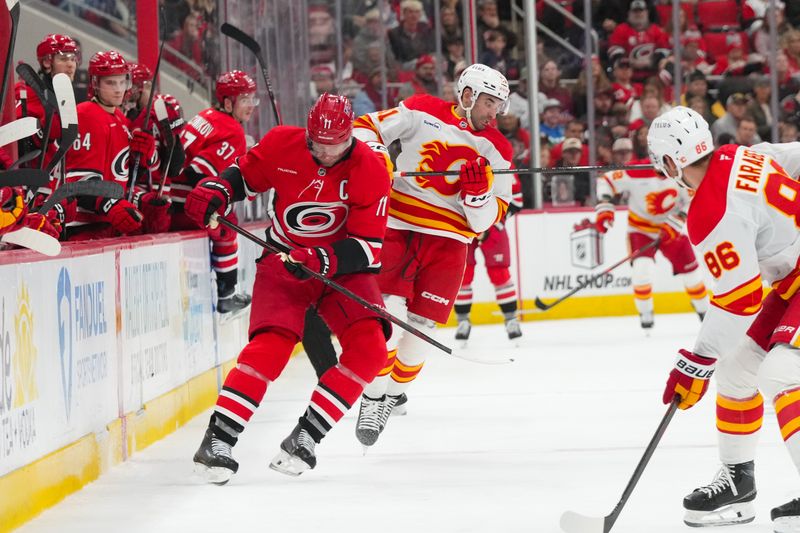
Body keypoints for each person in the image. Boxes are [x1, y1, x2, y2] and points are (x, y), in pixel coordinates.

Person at [188, 93, 391, 482]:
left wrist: (323, 261)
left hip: (341, 270)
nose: (328, 152)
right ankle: (217, 439)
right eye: (319, 143)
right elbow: (243, 178)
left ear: (351, 135)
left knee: (370, 349)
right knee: (271, 346)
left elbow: (369, 248)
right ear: (308, 134)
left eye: (337, 144)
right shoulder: (283, 142)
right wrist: (216, 190)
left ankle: (305, 438)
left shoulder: (370, 167)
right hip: (284, 259)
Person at [648, 106, 800, 530]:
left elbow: (740, 299)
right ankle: (739, 483)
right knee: (737, 366)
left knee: (782, 372)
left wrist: (696, 362)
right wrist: (710, 360)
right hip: (792, 283)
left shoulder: (710, 210)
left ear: (668, 162)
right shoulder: (740, 154)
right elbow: (792, 156)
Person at [351, 63, 514, 448]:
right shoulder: (421, 108)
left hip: (450, 243)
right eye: (490, 102)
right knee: (384, 315)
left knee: (422, 330)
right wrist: (377, 154)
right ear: (468, 95)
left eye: (500, 106)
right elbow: (365, 125)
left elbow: (488, 220)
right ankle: (372, 397)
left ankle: (390, 395)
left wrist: (478, 198)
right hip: (398, 227)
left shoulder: (499, 150)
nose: (495, 113)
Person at [170, 70, 257, 313]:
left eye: (252, 98)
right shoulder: (232, 129)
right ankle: (227, 294)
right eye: (245, 99)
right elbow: (199, 172)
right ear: (228, 102)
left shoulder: (205, 115)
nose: (251, 105)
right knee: (228, 225)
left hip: (173, 199)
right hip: (188, 204)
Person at [594, 153, 709, 330]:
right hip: (641, 229)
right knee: (642, 270)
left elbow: (694, 199)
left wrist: (678, 219)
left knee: (692, 273)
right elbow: (606, 181)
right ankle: (646, 315)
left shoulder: (683, 170)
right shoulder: (635, 171)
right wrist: (605, 206)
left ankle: (704, 311)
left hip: (671, 229)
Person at [64, 50, 155, 240]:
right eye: (110, 82)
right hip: (82, 225)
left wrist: (141, 158)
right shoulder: (84, 115)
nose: (118, 89)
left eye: (122, 82)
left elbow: (119, 171)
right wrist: (110, 204)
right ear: (95, 83)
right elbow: (78, 182)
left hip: (109, 224)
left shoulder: (120, 118)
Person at [454, 172, 523, 344]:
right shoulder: (460, 153)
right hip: (463, 225)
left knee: (499, 272)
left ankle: (511, 320)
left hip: (494, 227)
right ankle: (462, 321)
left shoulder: (502, 161)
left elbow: (517, 201)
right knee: (463, 274)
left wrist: (492, 224)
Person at [15, 34, 80, 171]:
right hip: (29, 185)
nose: (70, 64)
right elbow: (13, 147)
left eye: (73, 59)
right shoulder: (28, 94)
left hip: (56, 186)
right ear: (46, 62)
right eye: (63, 59)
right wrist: (42, 133)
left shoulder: (68, 99)